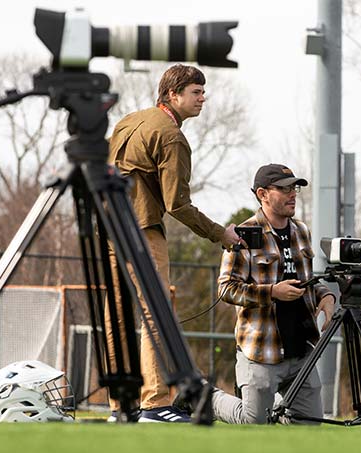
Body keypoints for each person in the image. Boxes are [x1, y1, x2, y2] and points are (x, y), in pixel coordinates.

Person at [106, 64, 241, 423]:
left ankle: (120, 407)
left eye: (202, 91)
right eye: (196, 92)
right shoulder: (171, 136)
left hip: (109, 228)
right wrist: (220, 234)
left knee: (116, 316)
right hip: (142, 231)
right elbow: (176, 204)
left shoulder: (128, 121)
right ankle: (154, 403)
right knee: (156, 312)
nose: (203, 98)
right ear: (172, 95)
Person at [211, 164, 336, 424]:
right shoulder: (241, 235)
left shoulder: (301, 231)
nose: (292, 194)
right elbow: (226, 289)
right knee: (252, 421)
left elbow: (306, 282)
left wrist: (325, 295)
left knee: (310, 427)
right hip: (261, 352)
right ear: (262, 194)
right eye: (284, 188)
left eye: (295, 188)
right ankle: (204, 396)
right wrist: (272, 293)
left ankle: (279, 408)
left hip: (300, 350)